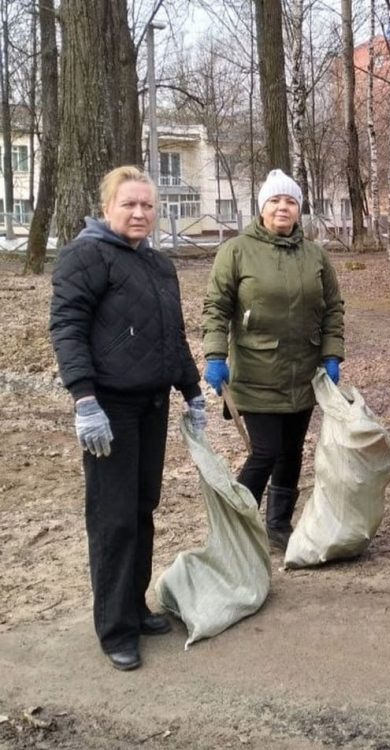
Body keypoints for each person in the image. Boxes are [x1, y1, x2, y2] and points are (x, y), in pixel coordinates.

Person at [50, 165, 206, 671]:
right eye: (129, 204)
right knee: (113, 518)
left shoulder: (158, 264)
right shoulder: (86, 256)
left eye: (147, 205)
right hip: (109, 408)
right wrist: (84, 399)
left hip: (152, 404)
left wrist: (192, 391)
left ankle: (135, 608)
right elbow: (67, 327)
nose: (139, 213)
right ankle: (115, 628)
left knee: (141, 508)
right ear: (107, 208)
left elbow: (172, 333)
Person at [202, 169, 345, 550]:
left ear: (299, 209)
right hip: (256, 371)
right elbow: (216, 307)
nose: (283, 207)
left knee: (292, 451)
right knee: (265, 452)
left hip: (304, 371)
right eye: (275, 201)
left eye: (291, 201)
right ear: (262, 207)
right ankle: (236, 528)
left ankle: (278, 526)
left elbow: (333, 308)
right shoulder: (236, 251)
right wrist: (215, 354)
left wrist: (331, 353)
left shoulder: (315, 255)